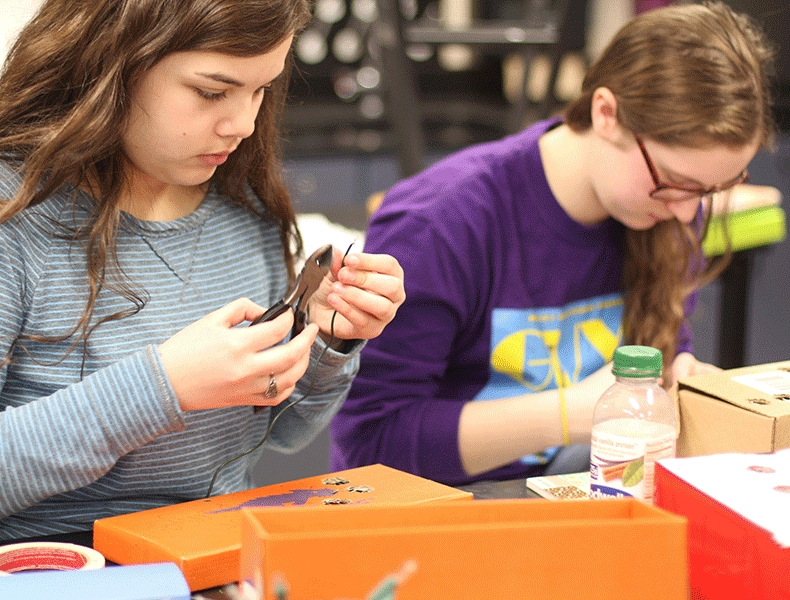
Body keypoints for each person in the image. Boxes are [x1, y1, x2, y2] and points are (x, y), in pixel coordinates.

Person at [0, 0, 404, 544]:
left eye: (261, 91)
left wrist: (326, 339)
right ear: (112, 65)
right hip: (39, 569)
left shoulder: (240, 199)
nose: (243, 125)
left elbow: (285, 429)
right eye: (211, 92)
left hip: (212, 560)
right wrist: (164, 386)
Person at [331, 1, 773, 486]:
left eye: (709, 190)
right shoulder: (441, 222)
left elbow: (657, 370)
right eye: (674, 181)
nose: (690, 212)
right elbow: (371, 447)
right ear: (606, 114)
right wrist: (566, 413)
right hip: (440, 515)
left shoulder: (663, 210)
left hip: (586, 493)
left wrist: (674, 385)